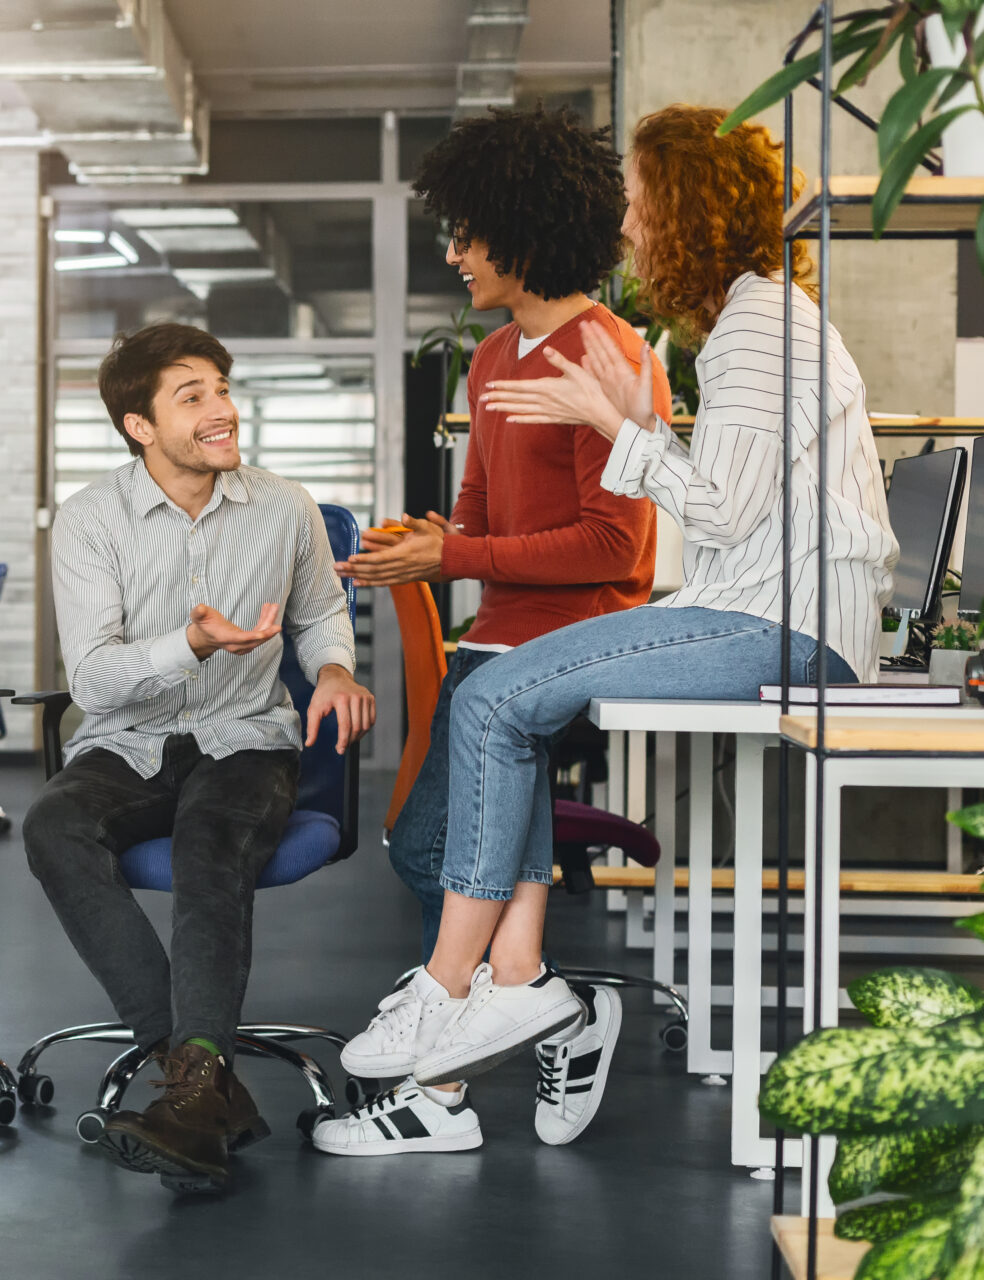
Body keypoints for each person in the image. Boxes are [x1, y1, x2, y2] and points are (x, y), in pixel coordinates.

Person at [343, 104, 898, 1112]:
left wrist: (619, 423)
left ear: (683, 207)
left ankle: (456, 988)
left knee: (493, 702)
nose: (629, 225)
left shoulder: (753, 330)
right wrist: (642, 429)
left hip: (783, 620)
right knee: (496, 700)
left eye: (641, 201)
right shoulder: (746, 321)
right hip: (773, 606)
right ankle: (501, 983)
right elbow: (738, 505)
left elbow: (721, 513)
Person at [324, 105, 661, 1157]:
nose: (457, 252)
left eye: (470, 232)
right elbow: (480, 508)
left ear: (524, 229)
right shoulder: (491, 358)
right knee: (440, 838)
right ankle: (512, 1010)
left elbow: (618, 550)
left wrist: (456, 558)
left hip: (575, 643)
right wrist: (437, 537)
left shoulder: (609, 355)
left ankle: (495, 1031)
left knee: (432, 838)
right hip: (502, 637)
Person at [22, 321, 376, 1195]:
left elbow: (322, 612)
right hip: (129, 739)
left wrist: (333, 668)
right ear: (140, 426)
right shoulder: (90, 521)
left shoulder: (286, 507)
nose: (223, 409)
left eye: (222, 387)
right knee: (52, 826)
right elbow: (96, 681)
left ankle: (190, 1086)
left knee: (207, 849)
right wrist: (189, 643)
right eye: (194, 396)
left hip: (246, 737)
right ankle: (199, 1076)